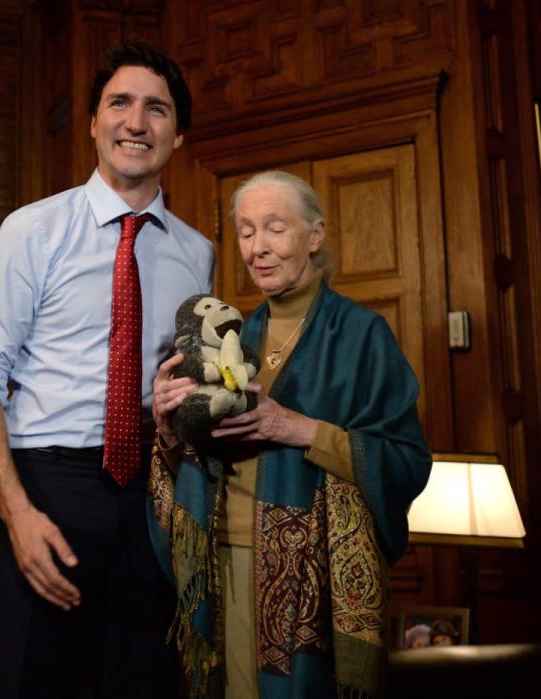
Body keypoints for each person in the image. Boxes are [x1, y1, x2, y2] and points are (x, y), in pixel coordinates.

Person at [0, 40, 214, 699]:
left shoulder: (195, 252)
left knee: (143, 681)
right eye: (118, 103)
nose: (135, 121)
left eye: (156, 109)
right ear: (94, 123)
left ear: (176, 134)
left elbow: (187, 382)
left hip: (151, 494)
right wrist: (17, 513)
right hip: (44, 489)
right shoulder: (30, 233)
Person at [149, 170, 431, 698]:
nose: (258, 248)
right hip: (225, 560)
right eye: (247, 231)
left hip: (315, 582)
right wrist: (168, 429)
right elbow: (197, 458)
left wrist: (299, 428)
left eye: (275, 228)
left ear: (315, 236)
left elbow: (407, 460)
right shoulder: (232, 336)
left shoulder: (361, 334)